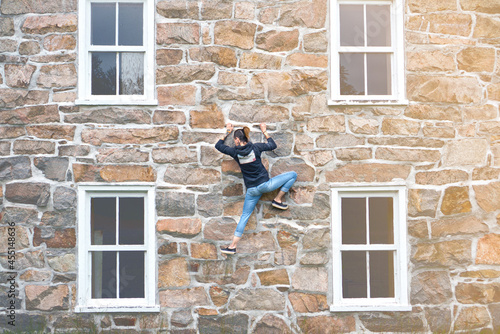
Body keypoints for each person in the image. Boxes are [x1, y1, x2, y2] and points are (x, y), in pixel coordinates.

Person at [215, 122, 297, 254]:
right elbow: (272, 145)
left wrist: (227, 132)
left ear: (237, 139)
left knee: (245, 216)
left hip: (252, 190)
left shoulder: (234, 152)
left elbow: (218, 146)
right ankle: (278, 199)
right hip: (265, 185)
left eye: (235, 139)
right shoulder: (255, 148)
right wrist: (264, 131)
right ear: (246, 138)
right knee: (293, 175)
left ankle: (232, 246)